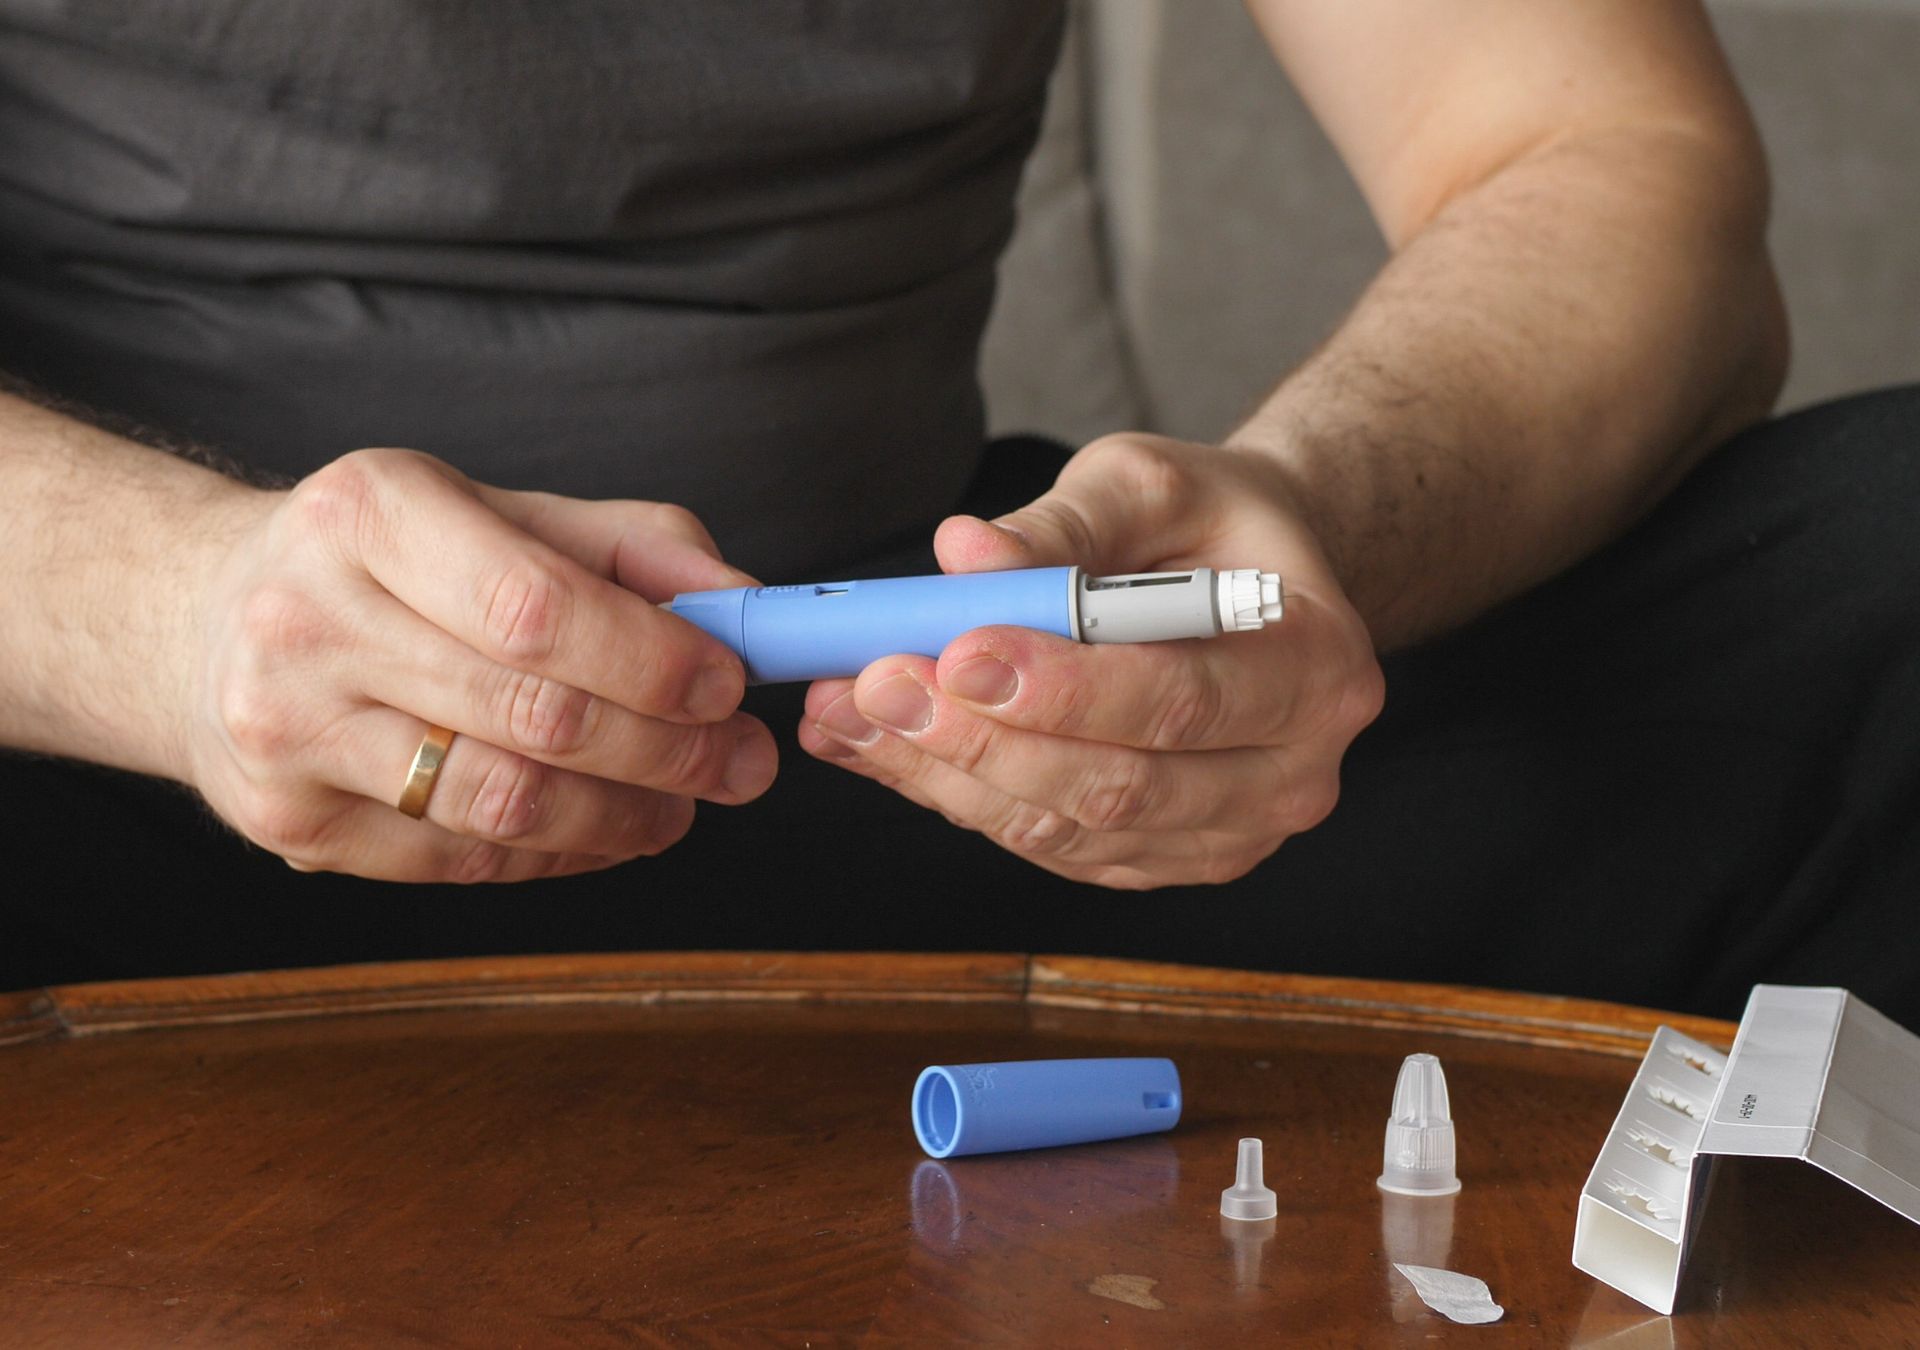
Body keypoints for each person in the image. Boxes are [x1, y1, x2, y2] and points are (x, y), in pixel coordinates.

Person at [1, 3, 1913, 1025]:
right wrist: (174, 612)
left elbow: (1606, 154)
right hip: (100, 789)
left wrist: (1312, 513)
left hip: (949, 757)